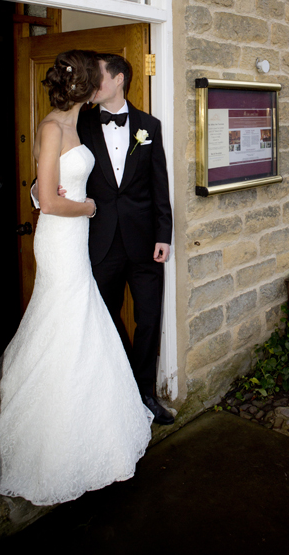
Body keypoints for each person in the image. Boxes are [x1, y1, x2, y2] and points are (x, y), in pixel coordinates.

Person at [0, 50, 153, 506]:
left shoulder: (77, 125)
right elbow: (46, 197)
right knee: (66, 321)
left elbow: (53, 183)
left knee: (78, 323)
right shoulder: (49, 128)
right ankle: (53, 436)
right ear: (83, 87)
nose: (101, 83)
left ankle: (90, 422)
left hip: (75, 240)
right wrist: (84, 207)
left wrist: (69, 199)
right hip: (61, 239)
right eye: (95, 77)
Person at [77, 54, 174, 426]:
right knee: (104, 315)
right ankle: (122, 384)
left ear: (119, 79)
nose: (91, 82)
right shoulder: (81, 122)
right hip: (100, 241)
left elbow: (159, 186)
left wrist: (163, 235)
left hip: (146, 241)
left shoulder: (149, 125)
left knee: (149, 318)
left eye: (98, 76)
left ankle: (146, 392)